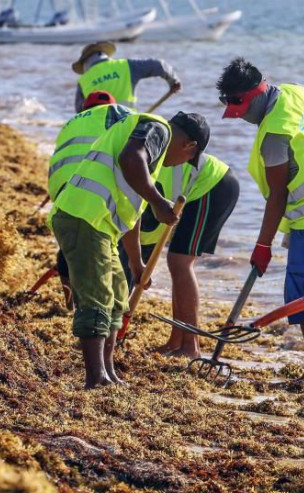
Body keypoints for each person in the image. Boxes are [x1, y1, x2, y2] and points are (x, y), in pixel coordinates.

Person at [216, 57, 304, 391]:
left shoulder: (274, 136)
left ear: (253, 94)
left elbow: (276, 196)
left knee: (302, 295)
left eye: (240, 107)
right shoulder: (295, 92)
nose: (242, 118)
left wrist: (262, 246)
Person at [49, 109, 201, 389]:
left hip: (101, 226)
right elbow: (130, 158)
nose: (178, 165)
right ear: (189, 147)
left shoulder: (147, 168)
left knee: (119, 295)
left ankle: (108, 372)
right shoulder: (158, 130)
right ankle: (94, 378)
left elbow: (132, 215)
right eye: (189, 159)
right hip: (82, 216)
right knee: (97, 296)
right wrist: (159, 201)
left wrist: (136, 262)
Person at [131, 114, 239, 358]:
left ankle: (191, 346)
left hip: (213, 186)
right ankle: (176, 340)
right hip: (193, 191)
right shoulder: (150, 147)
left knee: (180, 262)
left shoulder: (152, 152)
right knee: (176, 262)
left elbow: (144, 218)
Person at [48, 90, 132, 309]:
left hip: (60, 186)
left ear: (84, 108)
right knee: (112, 243)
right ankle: (112, 304)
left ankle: (69, 297)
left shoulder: (69, 123)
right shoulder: (116, 112)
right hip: (91, 184)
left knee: (70, 242)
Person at [71, 40, 181, 113]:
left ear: (85, 62)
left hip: (99, 129)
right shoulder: (126, 66)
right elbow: (159, 65)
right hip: (127, 124)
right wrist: (174, 81)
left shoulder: (83, 80)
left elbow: (79, 111)